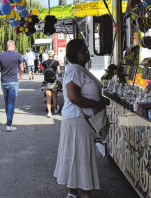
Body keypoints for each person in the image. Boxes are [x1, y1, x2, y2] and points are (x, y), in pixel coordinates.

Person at [54, 39, 109, 198]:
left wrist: (99, 102)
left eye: (86, 50)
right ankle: (84, 193)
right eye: (82, 51)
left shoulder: (80, 69)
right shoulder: (75, 70)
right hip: (77, 120)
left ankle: (73, 193)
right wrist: (98, 104)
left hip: (79, 120)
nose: (87, 53)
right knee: (81, 157)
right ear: (74, 54)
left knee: (77, 156)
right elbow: (74, 98)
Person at [0, 40, 23, 132]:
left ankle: (8, 120)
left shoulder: (1, 55)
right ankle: (9, 124)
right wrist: (20, 76)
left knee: (6, 101)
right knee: (11, 103)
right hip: (13, 81)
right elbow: (22, 68)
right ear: (13, 45)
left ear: (7, 46)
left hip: (4, 82)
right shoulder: (17, 55)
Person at [42, 50, 61, 118]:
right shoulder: (56, 62)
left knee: (48, 98)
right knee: (54, 97)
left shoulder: (44, 62)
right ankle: (55, 110)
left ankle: (49, 112)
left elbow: (43, 72)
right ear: (53, 55)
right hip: (54, 81)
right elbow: (58, 72)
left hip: (47, 81)